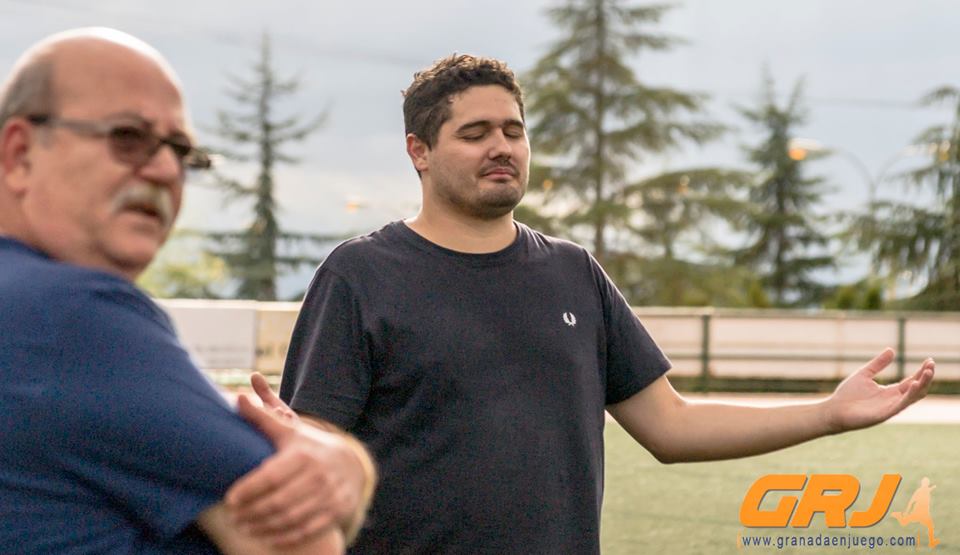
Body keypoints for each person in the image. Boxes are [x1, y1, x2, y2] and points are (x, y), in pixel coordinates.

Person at [276, 54, 936, 554]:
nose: (502, 146)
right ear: (419, 152)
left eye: (514, 129)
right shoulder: (359, 274)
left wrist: (826, 413)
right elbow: (313, 461)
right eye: (475, 133)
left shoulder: (572, 272)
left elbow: (671, 426)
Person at [0, 28, 374, 554]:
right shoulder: (71, 312)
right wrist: (347, 465)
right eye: (127, 137)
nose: (164, 170)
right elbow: (304, 540)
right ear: (19, 154)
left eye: (182, 152)